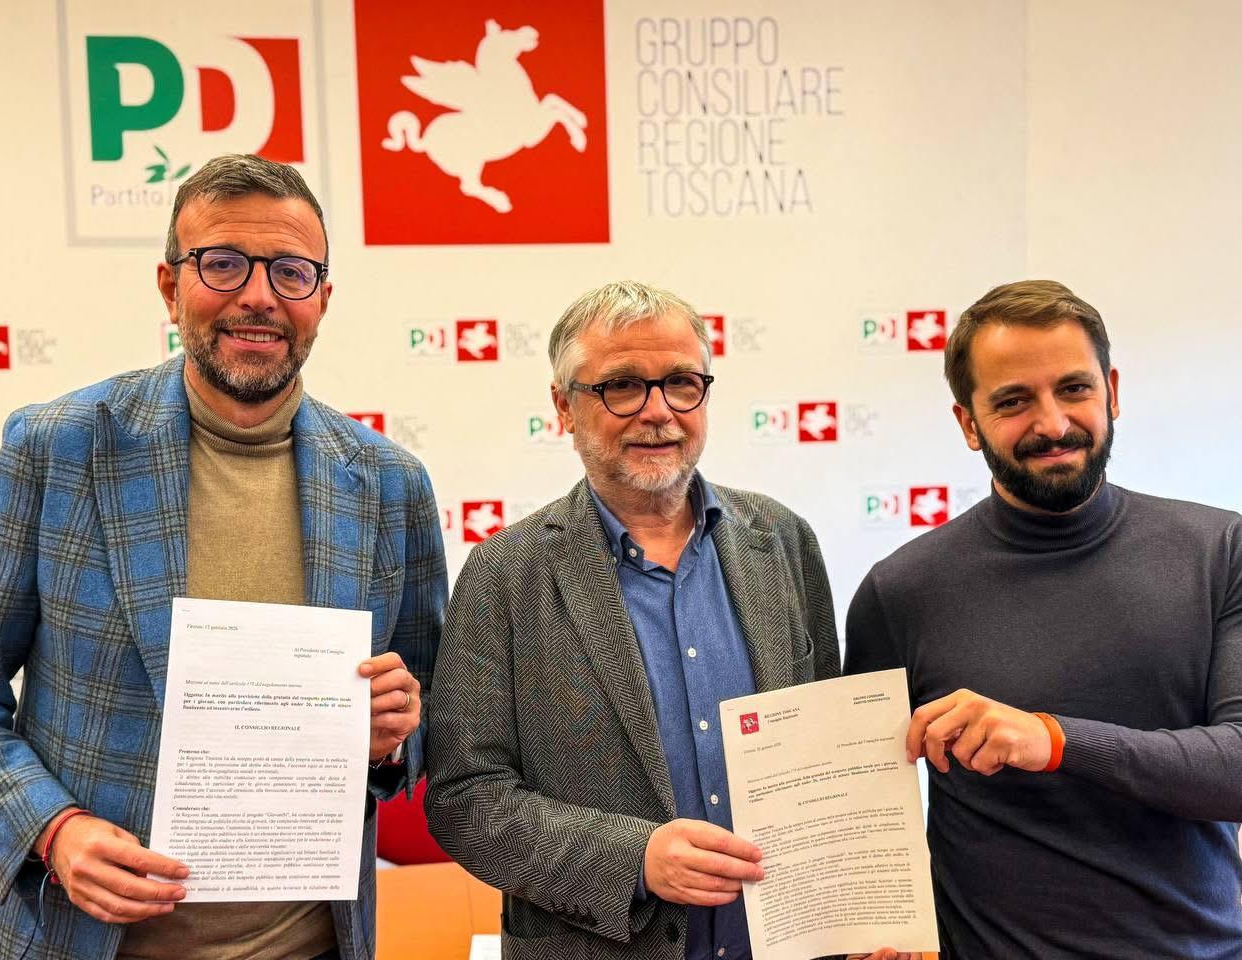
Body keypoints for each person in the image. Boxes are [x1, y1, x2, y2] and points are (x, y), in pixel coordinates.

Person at [0, 154, 447, 960]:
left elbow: (426, 711)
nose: (258, 295)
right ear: (170, 286)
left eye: (291, 271)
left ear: (323, 299)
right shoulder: (59, 450)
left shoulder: (390, 484)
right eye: (223, 263)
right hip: (81, 943)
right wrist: (52, 828)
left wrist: (393, 736)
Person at [426, 281, 909, 960]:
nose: (658, 412)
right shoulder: (506, 573)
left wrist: (861, 908)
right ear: (564, 406)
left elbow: (829, 760)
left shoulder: (783, 541)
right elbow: (465, 800)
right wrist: (635, 860)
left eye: (682, 383)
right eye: (622, 386)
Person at [844, 279, 1242, 957]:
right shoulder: (900, 591)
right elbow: (856, 801)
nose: (1053, 424)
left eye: (1074, 389)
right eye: (1013, 401)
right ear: (968, 423)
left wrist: (1054, 740)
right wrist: (880, 922)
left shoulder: (1220, 551)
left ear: (1111, 391)